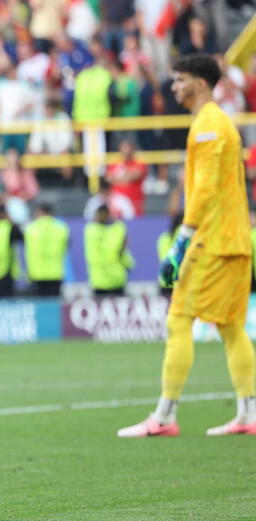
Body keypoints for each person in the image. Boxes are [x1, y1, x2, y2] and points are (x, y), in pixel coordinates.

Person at [119, 55, 256, 438]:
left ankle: (164, 416)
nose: (174, 87)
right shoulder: (217, 123)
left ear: (199, 82)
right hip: (234, 240)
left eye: (179, 80)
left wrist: (181, 241)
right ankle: (248, 412)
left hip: (211, 242)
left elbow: (205, 190)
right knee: (231, 326)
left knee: (179, 319)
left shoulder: (208, 125)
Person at [83, 204, 134, 296]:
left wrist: (128, 264)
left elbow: (122, 251)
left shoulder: (92, 230)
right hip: (101, 280)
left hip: (114, 279)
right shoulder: (117, 229)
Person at [24, 204, 70, 297]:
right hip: (55, 273)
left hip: (36, 273)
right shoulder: (61, 228)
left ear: (41, 212)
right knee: (54, 305)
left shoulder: (31, 228)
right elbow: (67, 245)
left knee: (39, 306)